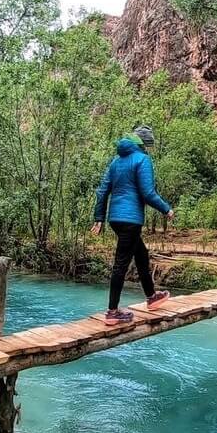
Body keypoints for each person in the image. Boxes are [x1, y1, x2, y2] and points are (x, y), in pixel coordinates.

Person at [92, 125, 174, 325]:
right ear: (144, 144)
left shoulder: (116, 161)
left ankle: (152, 297)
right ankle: (112, 312)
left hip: (116, 220)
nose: (148, 149)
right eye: (148, 145)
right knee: (121, 264)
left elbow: (103, 191)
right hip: (131, 220)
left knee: (141, 255)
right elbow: (147, 192)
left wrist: (99, 217)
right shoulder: (143, 160)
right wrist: (166, 209)